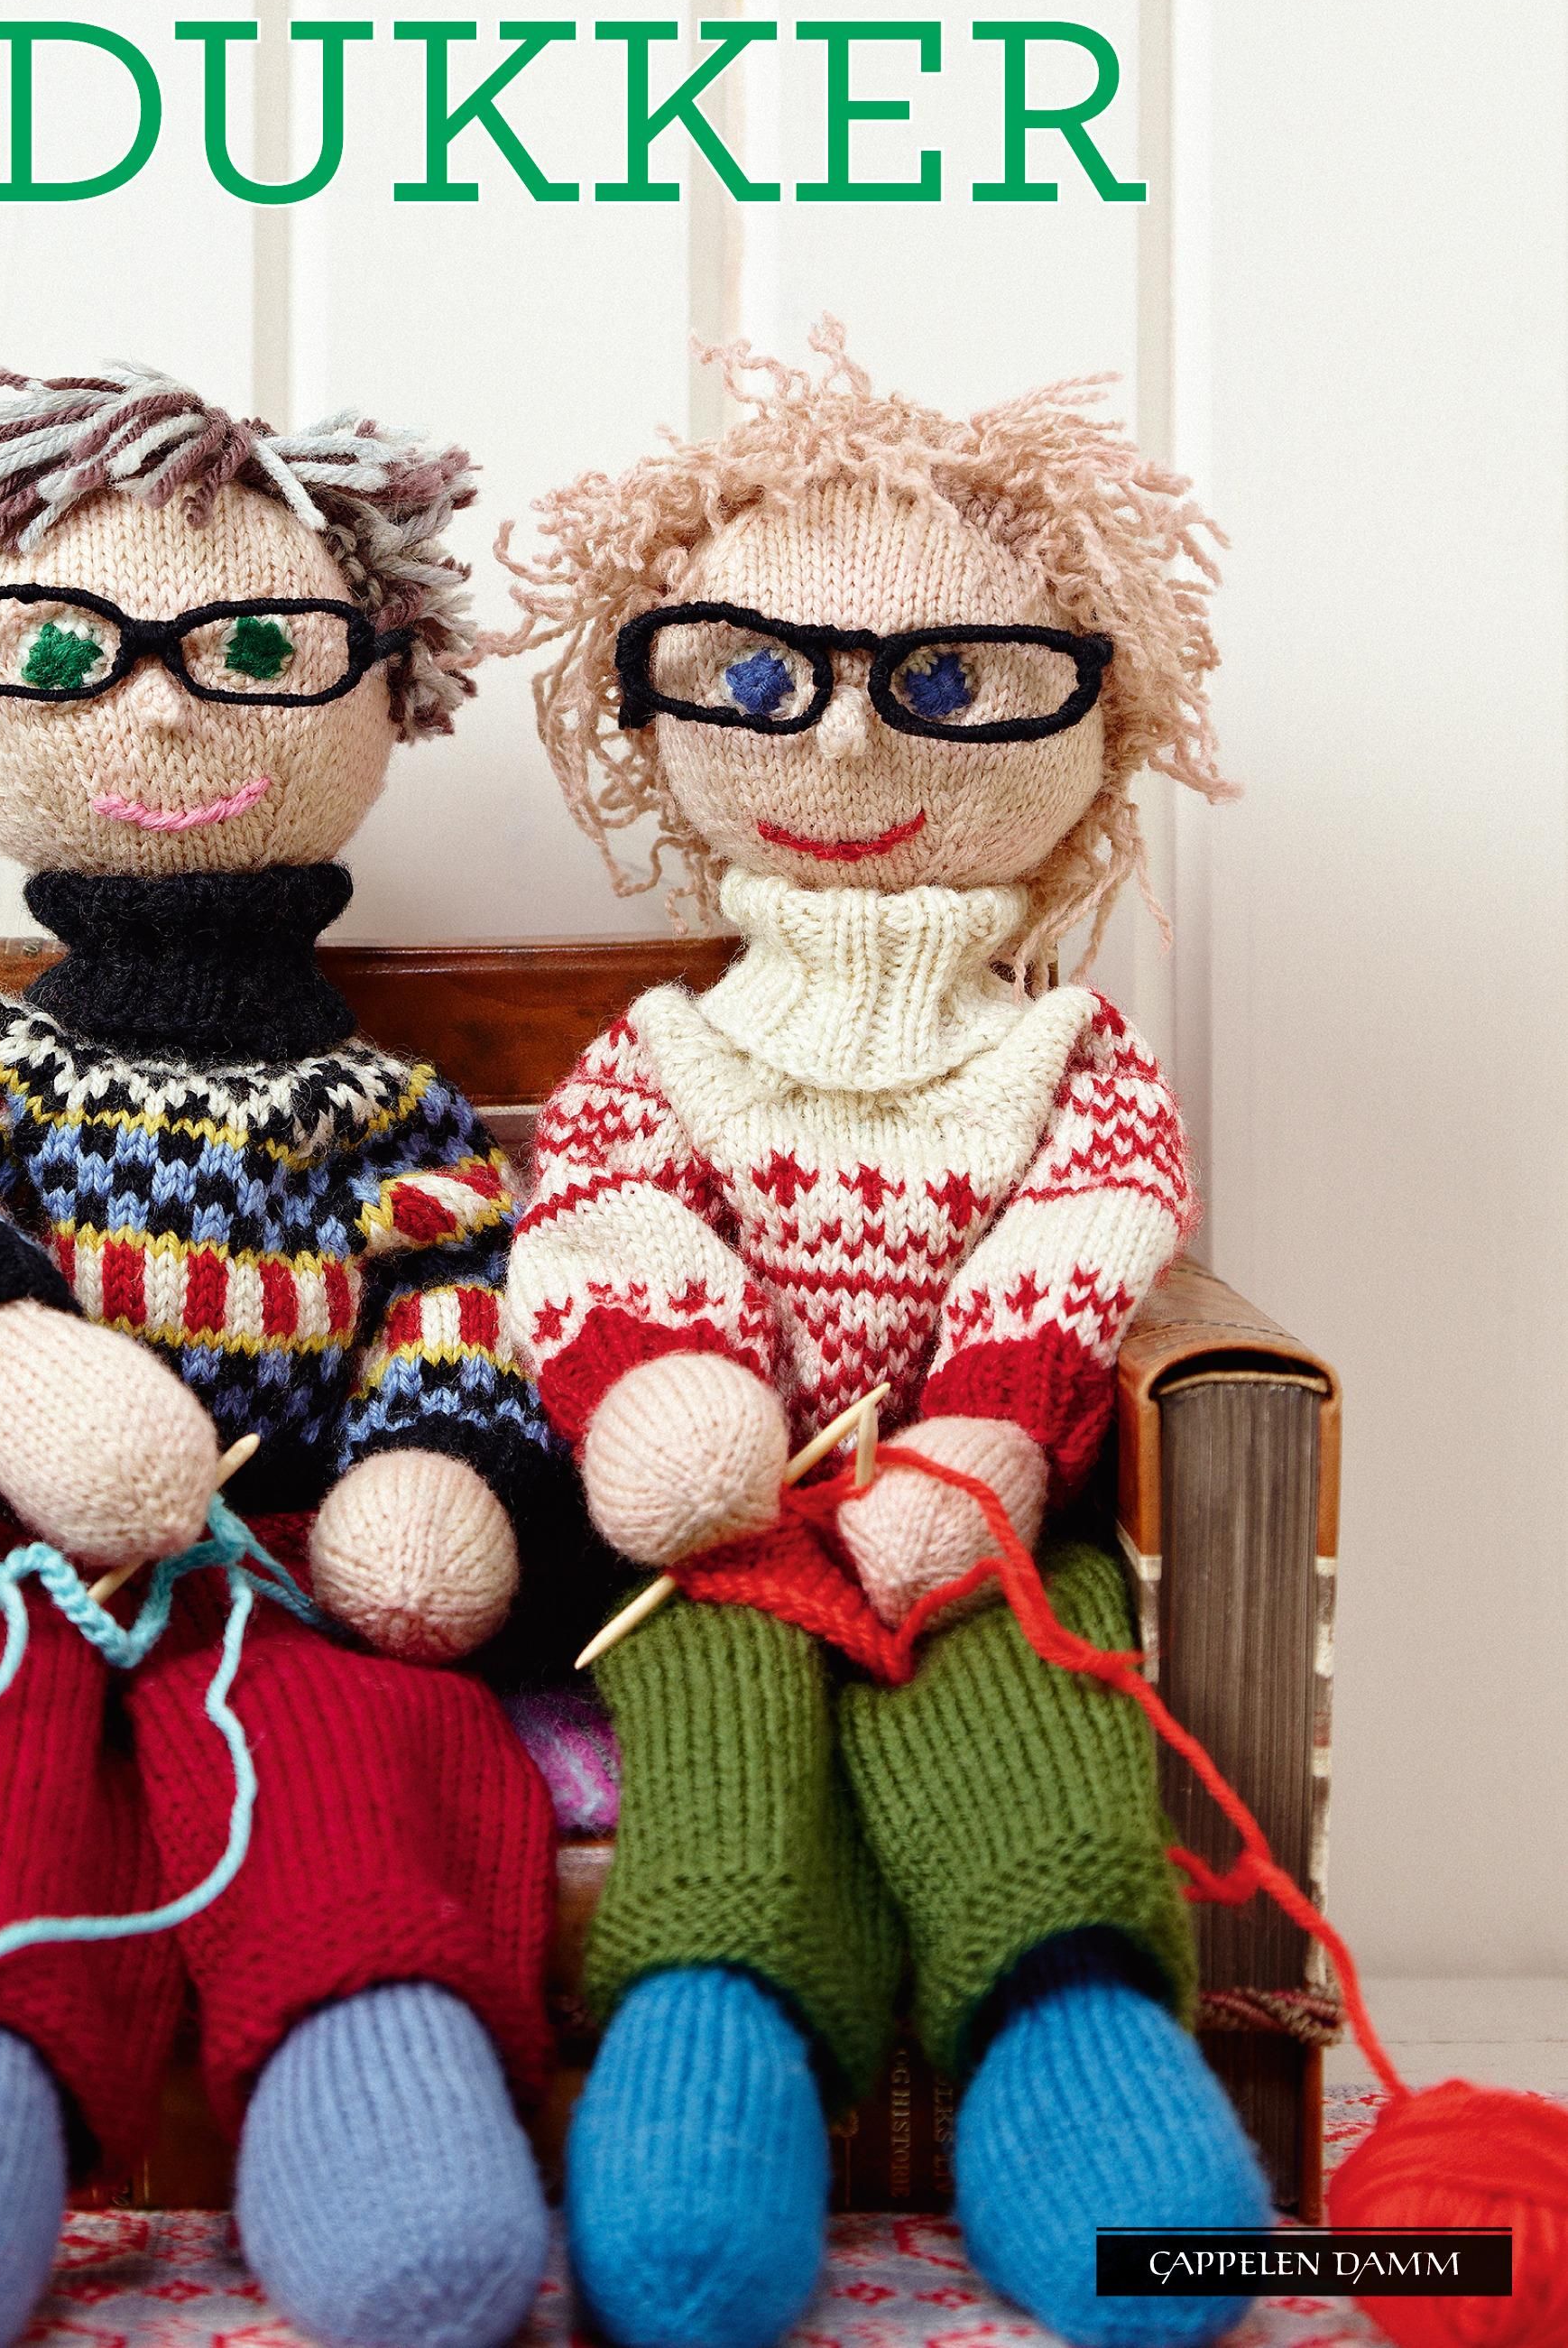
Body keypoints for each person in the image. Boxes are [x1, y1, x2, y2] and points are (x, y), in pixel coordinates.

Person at [0, 365, 557, 2348]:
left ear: (373, 681)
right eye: (61, 654)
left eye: (254, 651)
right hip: (23, 1533)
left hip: (302, 1549)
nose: (167, 708)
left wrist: (429, 1465)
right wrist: (11, 1347)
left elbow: (455, 1284)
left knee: (362, 1740)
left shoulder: (384, 1104)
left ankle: (373, 2066)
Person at [501, 320, 1270, 2348]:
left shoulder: (1065, 1054)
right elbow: (598, 1222)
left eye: (938, 684)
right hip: (719, 1539)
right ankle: (711, 2022)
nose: (842, 753)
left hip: (982, 1528)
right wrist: (670, 1393)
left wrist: (985, 1442)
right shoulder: (662, 1052)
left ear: (1086, 715)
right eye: (762, 683)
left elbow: (1091, 1237)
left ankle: (1067, 2026)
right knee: (718, 1731)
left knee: (1032, 1718)